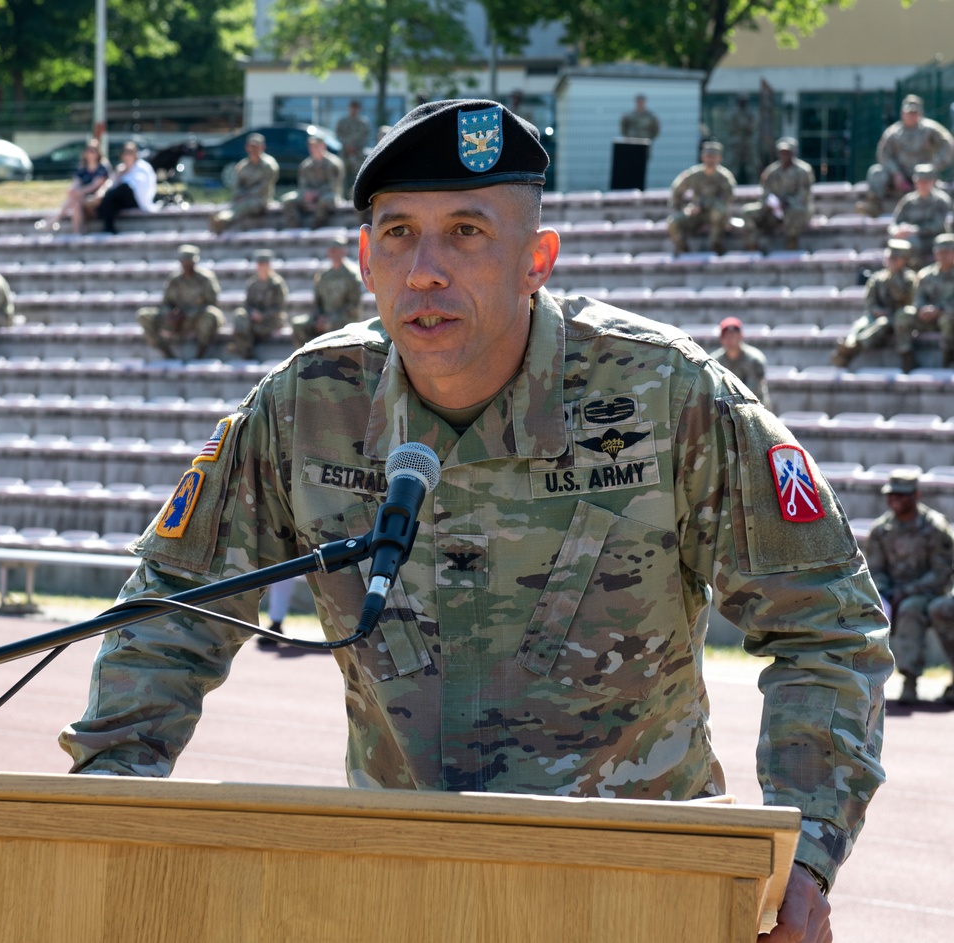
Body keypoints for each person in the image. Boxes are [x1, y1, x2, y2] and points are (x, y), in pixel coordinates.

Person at [61, 99, 891, 942]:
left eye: (465, 232)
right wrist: (98, 810)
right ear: (364, 258)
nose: (424, 269)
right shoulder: (308, 406)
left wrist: (805, 852)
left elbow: (827, 621)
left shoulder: (667, 397)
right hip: (406, 892)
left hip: (639, 891)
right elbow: (169, 614)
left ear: (537, 259)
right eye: (396, 235)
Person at [865, 470, 954, 706]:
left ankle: (910, 680)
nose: (896, 499)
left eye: (902, 495)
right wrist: (885, 592)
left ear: (916, 495)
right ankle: (866, 682)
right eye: (892, 494)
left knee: (911, 608)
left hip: (929, 593)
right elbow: (875, 569)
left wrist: (907, 591)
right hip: (892, 594)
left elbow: (942, 572)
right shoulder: (881, 530)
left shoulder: (934, 527)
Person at [860, 94, 954, 217]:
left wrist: (934, 165)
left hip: (923, 175)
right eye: (909, 112)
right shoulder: (893, 132)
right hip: (900, 176)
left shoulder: (929, 129)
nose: (911, 115)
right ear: (902, 113)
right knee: (876, 172)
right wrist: (895, 173)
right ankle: (874, 205)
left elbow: (948, 145)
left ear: (920, 113)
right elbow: (883, 154)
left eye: (914, 112)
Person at [831, 238, 918, 369]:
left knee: (882, 323)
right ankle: (849, 345)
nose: (892, 261)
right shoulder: (877, 278)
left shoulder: (910, 279)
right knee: (861, 324)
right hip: (876, 314)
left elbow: (909, 303)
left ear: (904, 260)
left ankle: (851, 349)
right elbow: (870, 302)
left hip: (897, 318)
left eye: (896, 258)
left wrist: (893, 279)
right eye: (891, 257)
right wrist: (876, 310)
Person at [136, 244, 223, 360]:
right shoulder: (175, 279)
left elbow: (212, 304)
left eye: (189, 262)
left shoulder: (205, 279)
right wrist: (171, 313)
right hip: (176, 321)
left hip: (196, 319)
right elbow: (166, 303)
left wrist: (189, 313)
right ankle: (166, 353)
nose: (186, 265)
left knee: (211, 314)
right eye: (184, 262)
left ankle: (200, 353)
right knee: (144, 315)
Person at [740, 137, 814, 252]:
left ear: (793, 153)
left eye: (787, 152)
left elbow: (804, 195)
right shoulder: (771, 171)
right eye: (781, 152)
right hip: (774, 210)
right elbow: (765, 193)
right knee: (748, 211)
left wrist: (787, 201)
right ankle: (752, 246)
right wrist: (771, 203)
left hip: (795, 209)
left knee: (796, 210)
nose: (784, 155)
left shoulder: (803, 171)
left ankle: (791, 245)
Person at [894, 232, 954, 370]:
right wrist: (922, 309)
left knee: (947, 319)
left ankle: (948, 358)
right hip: (928, 318)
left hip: (948, 317)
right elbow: (918, 298)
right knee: (903, 315)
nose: (943, 255)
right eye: (940, 252)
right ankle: (907, 357)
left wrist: (939, 309)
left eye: (947, 251)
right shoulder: (925, 275)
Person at [291, 234, 363, 346]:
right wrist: (319, 317)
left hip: (345, 319)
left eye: (337, 250)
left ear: (344, 251)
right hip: (324, 317)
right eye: (332, 250)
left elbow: (353, 307)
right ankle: (306, 359)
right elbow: (317, 303)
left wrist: (330, 319)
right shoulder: (324, 276)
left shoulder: (352, 275)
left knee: (329, 325)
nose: (334, 253)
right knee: (298, 325)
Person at [666, 141, 737, 255]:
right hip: (696, 214)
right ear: (702, 157)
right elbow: (677, 189)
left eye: (713, 157)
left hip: (716, 214)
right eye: (707, 156)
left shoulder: (724, 177)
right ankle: (684, 250)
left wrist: (703, 204)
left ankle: (716, 247)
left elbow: (728, 197)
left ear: (719, 158)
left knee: (719, 212)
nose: (710, 160)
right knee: (673, 222)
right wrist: (680, 208)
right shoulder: (694, 174)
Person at [35, 138, 112, 234]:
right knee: (75, 203)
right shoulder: (82, 168)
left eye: (93, 151)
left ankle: (54, 220)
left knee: (75, 199)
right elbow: (76, 182)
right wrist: (73, 189)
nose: (90, 153)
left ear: (98, 153)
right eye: (88, 150)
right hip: (81, 200)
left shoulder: (102, 167)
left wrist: (78, 192)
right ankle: (77, 233)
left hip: (96, 201)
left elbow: (95, 185)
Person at [209, 133, 281, 235]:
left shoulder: (269, 165)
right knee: (237, 204)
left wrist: (245, 195)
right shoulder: (243, 165)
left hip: (261, 199)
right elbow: (237, 185)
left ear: (262, 147)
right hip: (243, 199)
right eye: (251, 146)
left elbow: (264, 187)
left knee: (243, 206)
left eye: (256, 146)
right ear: (247, 148)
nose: (253, 149)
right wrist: (239, 194)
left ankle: (223, 220)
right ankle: (219, 222)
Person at [226, 249, 288, 360]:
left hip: (271, 321)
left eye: (264, 264)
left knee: (249, 328)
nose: (261, 267)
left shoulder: (277, 284)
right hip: (254, 319)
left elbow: (280, 308)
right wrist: (253, 314)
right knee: (240, 316)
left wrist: (263, 316)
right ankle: (245, 350)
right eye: (259, 264)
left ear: (269, 265)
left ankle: (244, 349)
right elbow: (248, 305)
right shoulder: (252, 283)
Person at [887, 163, 952, 269]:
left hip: (934, 240)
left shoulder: (941, 201)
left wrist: (915, 230)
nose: (923, 184)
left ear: (933, 181)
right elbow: (894, 224)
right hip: (914, 240)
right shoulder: (908, 201)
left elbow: (938, 224)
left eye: (926, 181)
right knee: (901, 243)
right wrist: (898, 231)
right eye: (920, 181)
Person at [282, 133, 344, 229]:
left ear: (324, 146)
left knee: (324, 200)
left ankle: (315, 227)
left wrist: (316, 194)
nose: (313, 148)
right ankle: (296, 228)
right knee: (287, 200)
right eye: (311, 146)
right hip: (310, 196)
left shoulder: (333, 164)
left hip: (328, 195)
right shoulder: (306, 165)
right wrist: (307, 194)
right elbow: (302, 185)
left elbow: (333, 186)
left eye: (316, 145)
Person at [709, 316, 772, 409]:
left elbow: (751, 393)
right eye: (727, 336)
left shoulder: (754, 360)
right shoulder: (715, 362)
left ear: (740, 336)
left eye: (733, 335)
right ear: (722, 339)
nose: (730, 340)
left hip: (756, 409)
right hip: (726, 412)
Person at [97, 140, 158, 234]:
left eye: (130, 152)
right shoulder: (121, 169)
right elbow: (112, 185)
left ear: (135, 154)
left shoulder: (143, 167)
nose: (127, 155)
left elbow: (140, 188)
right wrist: (118, 174)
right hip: (124, 201)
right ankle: (109, 228)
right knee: (111, 202)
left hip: (139, 201)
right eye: (125, 152)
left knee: (124, 188)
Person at [336, 100, 371, 200]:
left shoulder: (363, 122)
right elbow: (338, 135)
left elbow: (366, 137)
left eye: (356, 107)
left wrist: (356, 147)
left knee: (358, 176)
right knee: (343, 176)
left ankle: (356, 198)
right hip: (345, 153)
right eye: (352, 107)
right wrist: (347, 145)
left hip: (358, 154)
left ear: (358, 109)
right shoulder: (342, 121)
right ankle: (342, 197)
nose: (354, 109)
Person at [727, 95, 756, 184]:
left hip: (748, 142)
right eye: (741, 101)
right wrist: (741, 127)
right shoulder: (733, 113)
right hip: (736, 142)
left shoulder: (750, 113)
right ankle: (732, 182)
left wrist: (745, 128)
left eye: (745, 101)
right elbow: (730, 126)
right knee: (733, 164)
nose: (743, 103)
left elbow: (753, 126)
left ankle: (752, 183)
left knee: (751, 165)